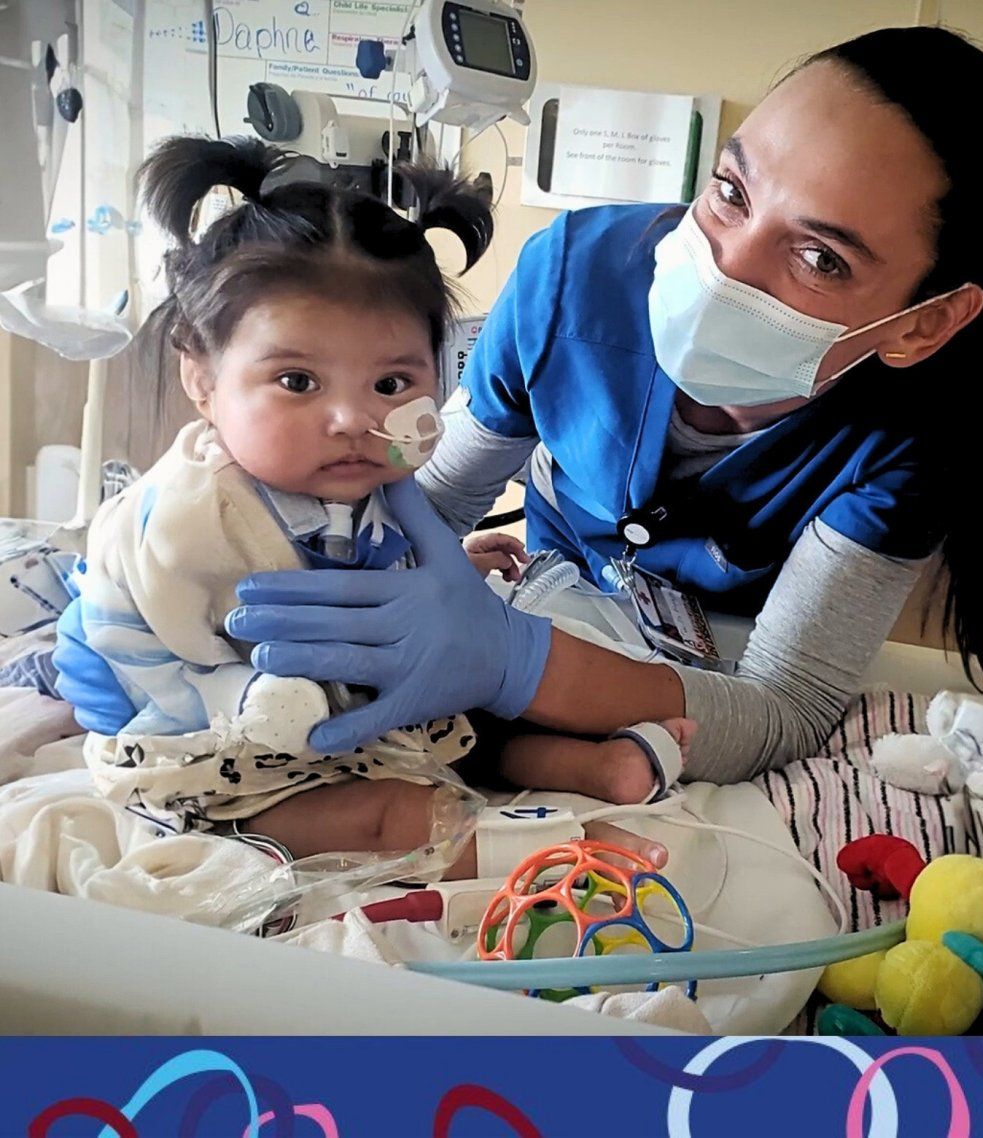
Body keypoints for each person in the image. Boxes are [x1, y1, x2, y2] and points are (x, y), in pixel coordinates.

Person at [57, 26, 983, 792]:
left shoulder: (916, 434)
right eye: (731, 192)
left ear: (923, 325)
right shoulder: (575, 275)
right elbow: (432, 497)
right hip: (550, 580)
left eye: (820, 257)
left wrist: (513, 659)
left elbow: (781, 710)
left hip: (706, 664)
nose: (723, 267)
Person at [62, 135, 686, 873]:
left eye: (392, 384)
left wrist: (441, 567)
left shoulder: (357, 479)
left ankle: (595, 770)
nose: (352, 419)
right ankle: (564, 853)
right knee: (397, 816)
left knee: (476, 706)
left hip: (348, 703)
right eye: (298, 381)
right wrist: (252, 699)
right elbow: (148, 659)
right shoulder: (188, 521)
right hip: (218, 754)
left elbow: (368, 571)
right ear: (201, 378)